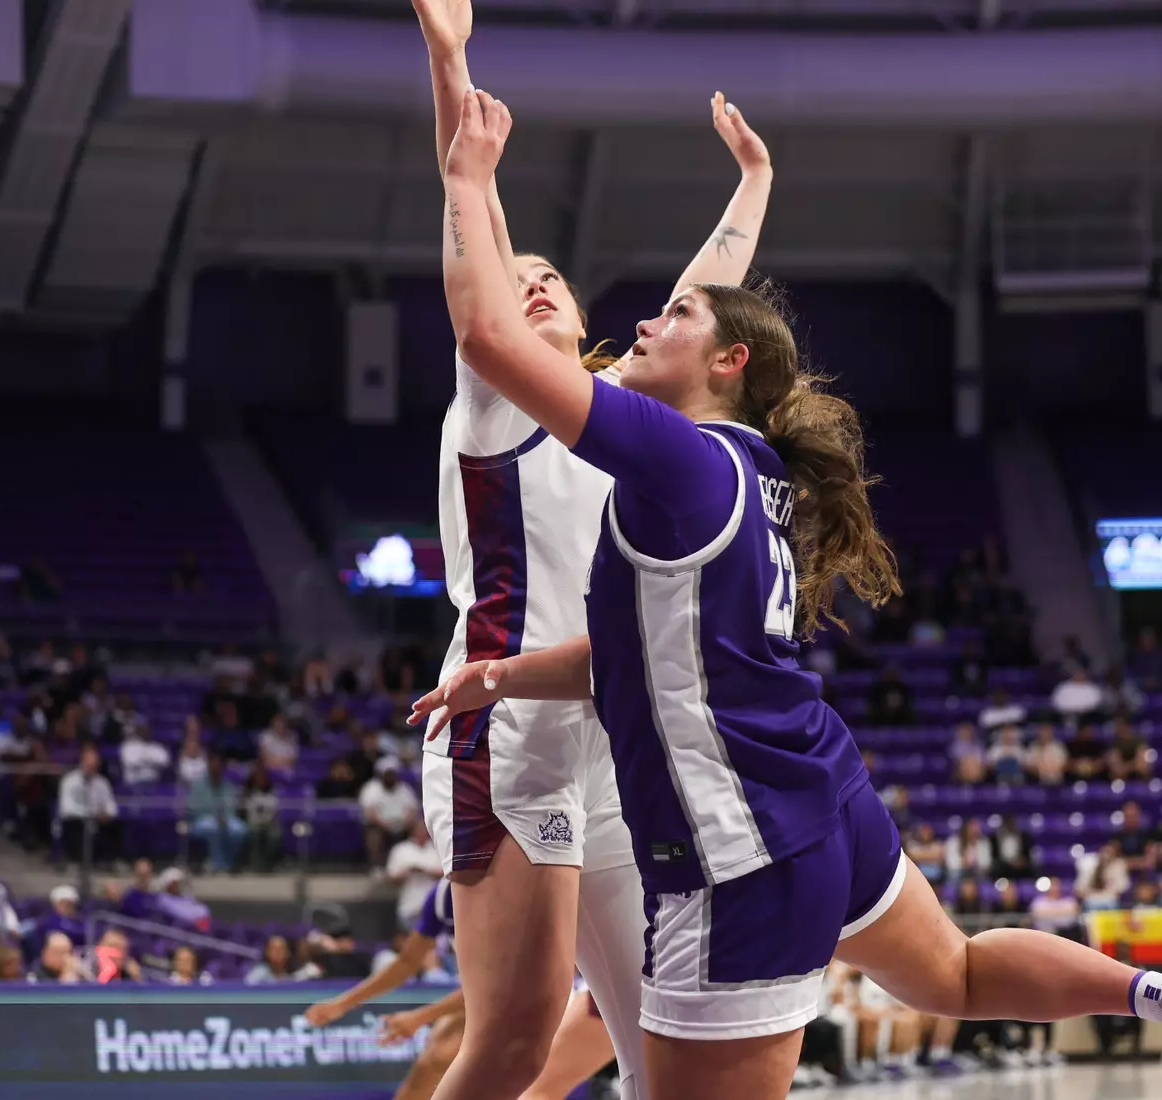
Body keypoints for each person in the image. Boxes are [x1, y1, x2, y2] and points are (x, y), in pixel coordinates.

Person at [410, 86, 1162, 1099]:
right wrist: (505, 675)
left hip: (738, 838)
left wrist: (465, 171)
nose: (645, 320)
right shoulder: (757, 470)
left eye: (670, 317)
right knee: (956, 970)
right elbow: (634, 643)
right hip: (821, 789)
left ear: (723, 362)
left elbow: (489, 335)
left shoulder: (672, 457)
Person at [409, 2, 779, 1097]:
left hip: (611, 742)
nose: (531, 278)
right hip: (505, 724)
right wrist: (450, 59)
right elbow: (464, 195)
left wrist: (753, 184)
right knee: (516, 1038)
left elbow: (700, 307)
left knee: (656, 1034)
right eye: (513, 272)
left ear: (585, 317)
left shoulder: (616, 401)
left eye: (550, 273)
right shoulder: (495, 395)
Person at [305, 883, 617, 1100]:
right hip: (495, 1000)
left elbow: (506, 986)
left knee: (531, 1087)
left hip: (546, 995)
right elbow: (407, 962)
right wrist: (343, 1004)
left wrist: (418, 1018)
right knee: (434, 1061)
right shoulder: (445, 895)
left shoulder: (514, 892)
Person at [55, 744, 119, 868]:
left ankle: (108, 861)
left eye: (94, 767)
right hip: (76, 823)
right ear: (82, 763)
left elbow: (112, 807)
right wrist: (92, 814)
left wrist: (106, 814)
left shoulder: (102, 783)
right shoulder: (69, 781)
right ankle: (76, 860)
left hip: (98, 823)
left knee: (116, 825)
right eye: (88, 765)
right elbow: (67, 809)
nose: (91, 769)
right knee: (74, 825)